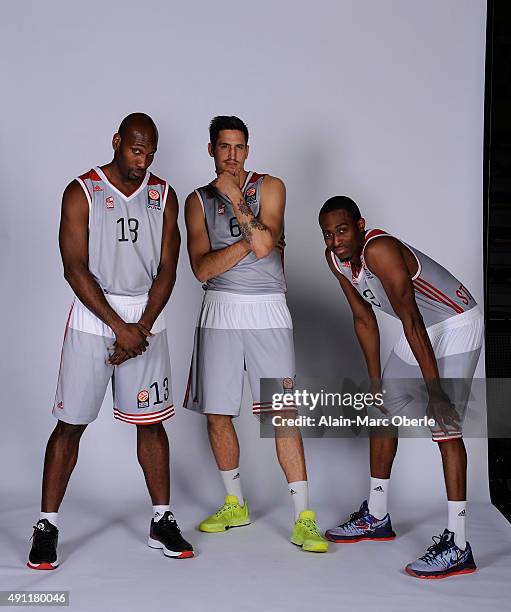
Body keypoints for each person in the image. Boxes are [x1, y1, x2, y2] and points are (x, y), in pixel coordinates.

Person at [27, 113, 193, 570]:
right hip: (94, 320)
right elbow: (74, 267)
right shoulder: (82, 191)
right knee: (70, 425)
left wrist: (140, 326)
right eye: (137, 150)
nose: (144, 161)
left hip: (145, 319)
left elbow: (168, 269)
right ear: (118, 142)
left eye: (151, 153)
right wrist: (120, 328)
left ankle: (162, 519)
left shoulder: (163, 195)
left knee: (152, 424)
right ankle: (46, 525)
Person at [184, 115, 328, 552]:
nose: (232, 156)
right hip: (219, 311)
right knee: (217, 413)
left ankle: (304, 516)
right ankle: (235, 503)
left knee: (282, 414)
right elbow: (201, 269)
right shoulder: (195, 201)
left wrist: (237, 203)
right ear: (211, 149)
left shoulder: (271, 186)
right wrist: (252, 239)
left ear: (248, 150)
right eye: (224, 147)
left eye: (239, 147)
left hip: (268, 310)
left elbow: (268, 247)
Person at [319, 196, 483, 578]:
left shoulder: (380, 250)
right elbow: (363, 319)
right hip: (422, 328)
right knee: (383, 415)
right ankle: (376, 516)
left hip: (455, 324)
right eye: (328, 234)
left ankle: (458, 545)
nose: (336, 240)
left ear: (360, 225)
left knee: (445, 425)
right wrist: (375, 383)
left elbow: (410, 321)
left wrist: (436, 392)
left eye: (342, 230)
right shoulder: (337, 259)